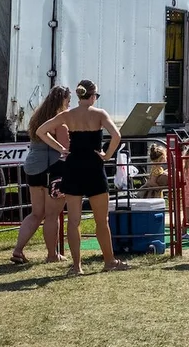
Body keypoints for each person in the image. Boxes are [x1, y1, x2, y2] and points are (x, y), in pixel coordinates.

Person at [37, 79, 128, 275]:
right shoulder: (99, 114)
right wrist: (107, 155)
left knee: (74, 220)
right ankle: (109, 261)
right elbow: (117, 135)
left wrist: (61, 149)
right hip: (94, 167)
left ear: (78, 95)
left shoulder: (68, 115)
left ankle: (77, 266)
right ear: (93, 96)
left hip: (73, 166)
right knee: (101, 220)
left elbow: (41, 131)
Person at [11, 85, 71, 264]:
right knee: (52, 215)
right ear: (62, 101)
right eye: (68, 101)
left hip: (32, 167)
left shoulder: (37, 116)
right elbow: (66, 150)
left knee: (36, 213)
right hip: (52, 169)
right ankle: (52, 255)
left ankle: (18, 250)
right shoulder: (59, 122)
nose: (69, 104)